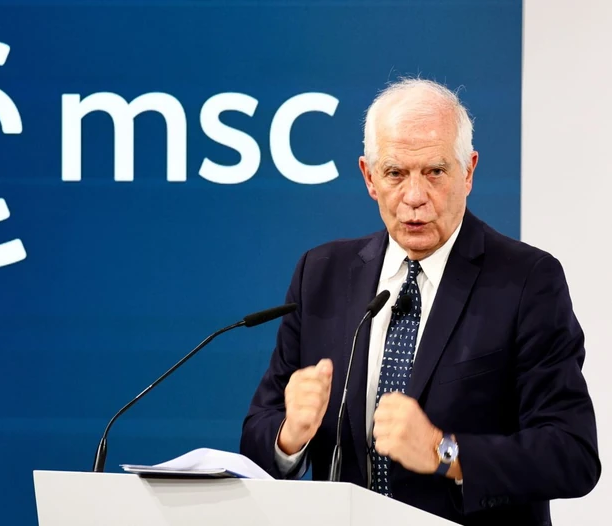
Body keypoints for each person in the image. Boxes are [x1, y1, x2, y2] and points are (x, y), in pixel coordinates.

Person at [239, 78, 601, 525]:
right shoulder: (321, 274)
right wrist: (289, 436)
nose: (414, 197)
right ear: (369, 177)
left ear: (468, 172)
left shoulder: (527, 281)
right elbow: (257, 439)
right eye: (395, 173)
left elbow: (572, 453)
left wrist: (443, 452)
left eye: (435, 172)